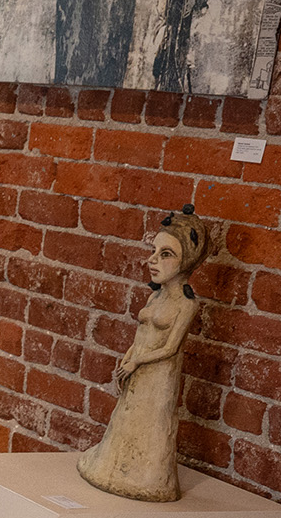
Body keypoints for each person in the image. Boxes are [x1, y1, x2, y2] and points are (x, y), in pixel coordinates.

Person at [76, 205, 210, 501]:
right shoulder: (155, 295)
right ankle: (113, 468)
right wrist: (128, 358)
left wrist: (136, 360)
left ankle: (149, 480)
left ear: (186, 261)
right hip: (137, 368)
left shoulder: (186, 304)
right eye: (154, 251)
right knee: (126, 419)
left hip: (158, 375)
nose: (153, 260)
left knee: (152, 425)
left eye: (166, 254)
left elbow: (171, 348)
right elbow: (141, 335)